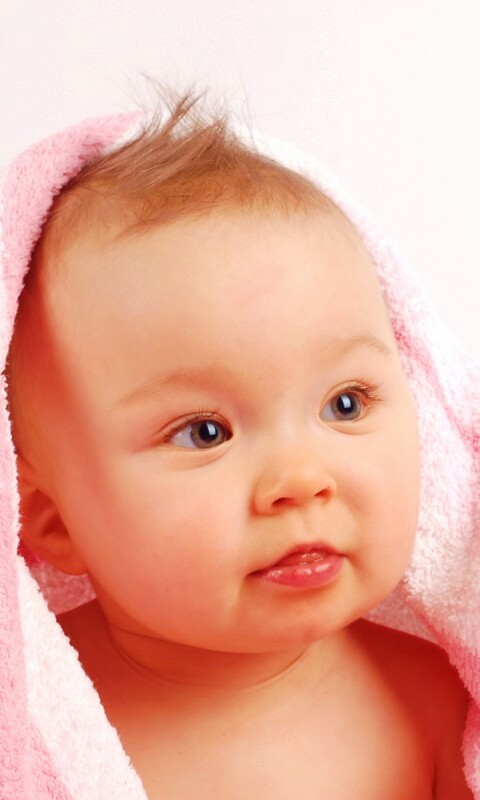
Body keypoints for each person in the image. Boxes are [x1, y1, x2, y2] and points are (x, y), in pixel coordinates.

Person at [4, 88, 473, 799]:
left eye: (345, 404)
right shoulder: (31, 729)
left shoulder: (432, 708)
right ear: (51, 520)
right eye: (205, 432)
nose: (302, 478)